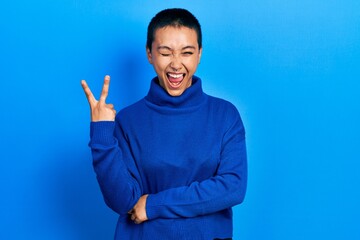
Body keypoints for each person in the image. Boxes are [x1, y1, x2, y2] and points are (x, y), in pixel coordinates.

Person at [81, 8, 247, 240]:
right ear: (150, 54)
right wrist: (102, 134)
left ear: (199, 54)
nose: (176, 64)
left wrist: (153, 205)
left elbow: (233, 187)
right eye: (165, 53)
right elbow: (122, 201)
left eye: (186, 52)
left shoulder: (225, 115)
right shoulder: (128, 120)